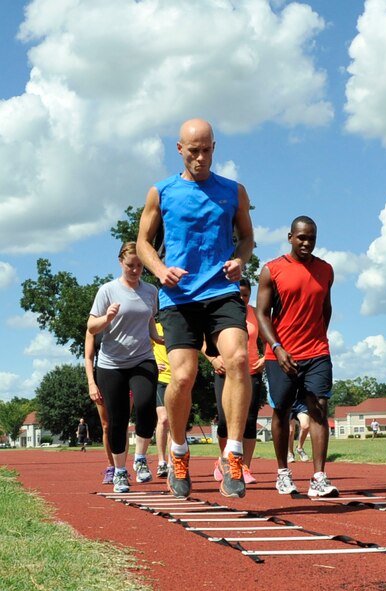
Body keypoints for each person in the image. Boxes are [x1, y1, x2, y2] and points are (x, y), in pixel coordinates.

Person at [137, 118, 255, 499]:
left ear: (214, 148)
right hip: (179, 296)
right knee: (183, 378)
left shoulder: (233, 191)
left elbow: (247, 238)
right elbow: (143, 243)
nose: (200, 157)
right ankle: (179, 451)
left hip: (221, 290)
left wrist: (241, 259)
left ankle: (234, 456)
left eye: (206, 150)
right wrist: (159, 270)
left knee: (238, 359)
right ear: (179, 149)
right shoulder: (162, 192)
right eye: (193, 151)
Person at [256, 216, 337, 498]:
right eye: (301, 237)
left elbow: (326, 308)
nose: (306, 243)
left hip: (317, 352)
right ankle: (282, 473)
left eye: (311, 238)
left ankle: (318, 478)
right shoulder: (271, 270)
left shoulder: (326, 270)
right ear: (290, 237)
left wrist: (318, 340)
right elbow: (261, 314)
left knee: (319, 408)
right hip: (281, 354)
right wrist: (277, 347)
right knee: (282, 411)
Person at [88, 241, 163, 493]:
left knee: (145, 406)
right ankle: (120, 471)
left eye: (140, 266)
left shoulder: (151, 291)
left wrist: (158, 337)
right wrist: (107, 318)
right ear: (121, 262)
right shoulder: (107, 291)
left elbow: (149, 320)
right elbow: (91, 328)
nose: (135, 270)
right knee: (118, 420)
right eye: (131, 265)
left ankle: (140, 459)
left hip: (143, 358)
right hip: (111, 364)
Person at [207, 279, 265, 486]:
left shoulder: (256, 313)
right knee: (224, 421)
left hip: (251, 372)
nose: (241, 298)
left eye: (245, 295)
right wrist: (213, 359)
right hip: (225, 372)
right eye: (238, 294)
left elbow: (269, 336)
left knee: (249, 422)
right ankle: (224, 461)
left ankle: (243, 467)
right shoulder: (219, 311)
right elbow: (203, 340)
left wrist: (265, 358)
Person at [84, 330, 118, 483]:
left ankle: (121, 468)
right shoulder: (94, 327)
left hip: (125, 377)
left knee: (121, 424)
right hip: (102, 379)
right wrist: (91, 383)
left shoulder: (125, 319)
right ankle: (112, 467)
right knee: (106, 426)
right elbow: (89, 357)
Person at [152, 321, 171, 477]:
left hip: (178, 379)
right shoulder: (154, 327)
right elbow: (142, 348)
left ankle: (173, 462)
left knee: (175, 422)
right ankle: (161, 462)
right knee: (164, 419)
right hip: (161, 379)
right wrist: (153, 363)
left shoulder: (180, 324)